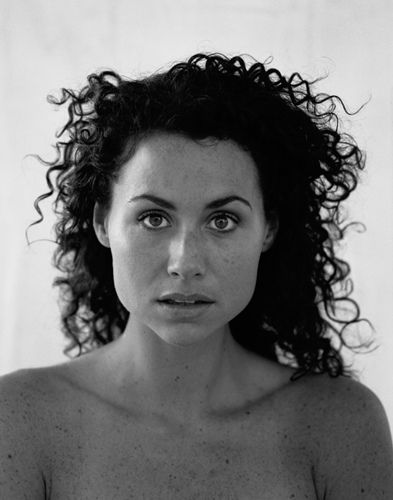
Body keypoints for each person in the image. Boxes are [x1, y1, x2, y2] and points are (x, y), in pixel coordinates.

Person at [1, 52, 392, 499]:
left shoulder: (339, 427)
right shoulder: (18, 419)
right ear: (102, 222)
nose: (184, 262)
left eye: (222, 220)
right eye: (152, 218)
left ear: (269, 229)